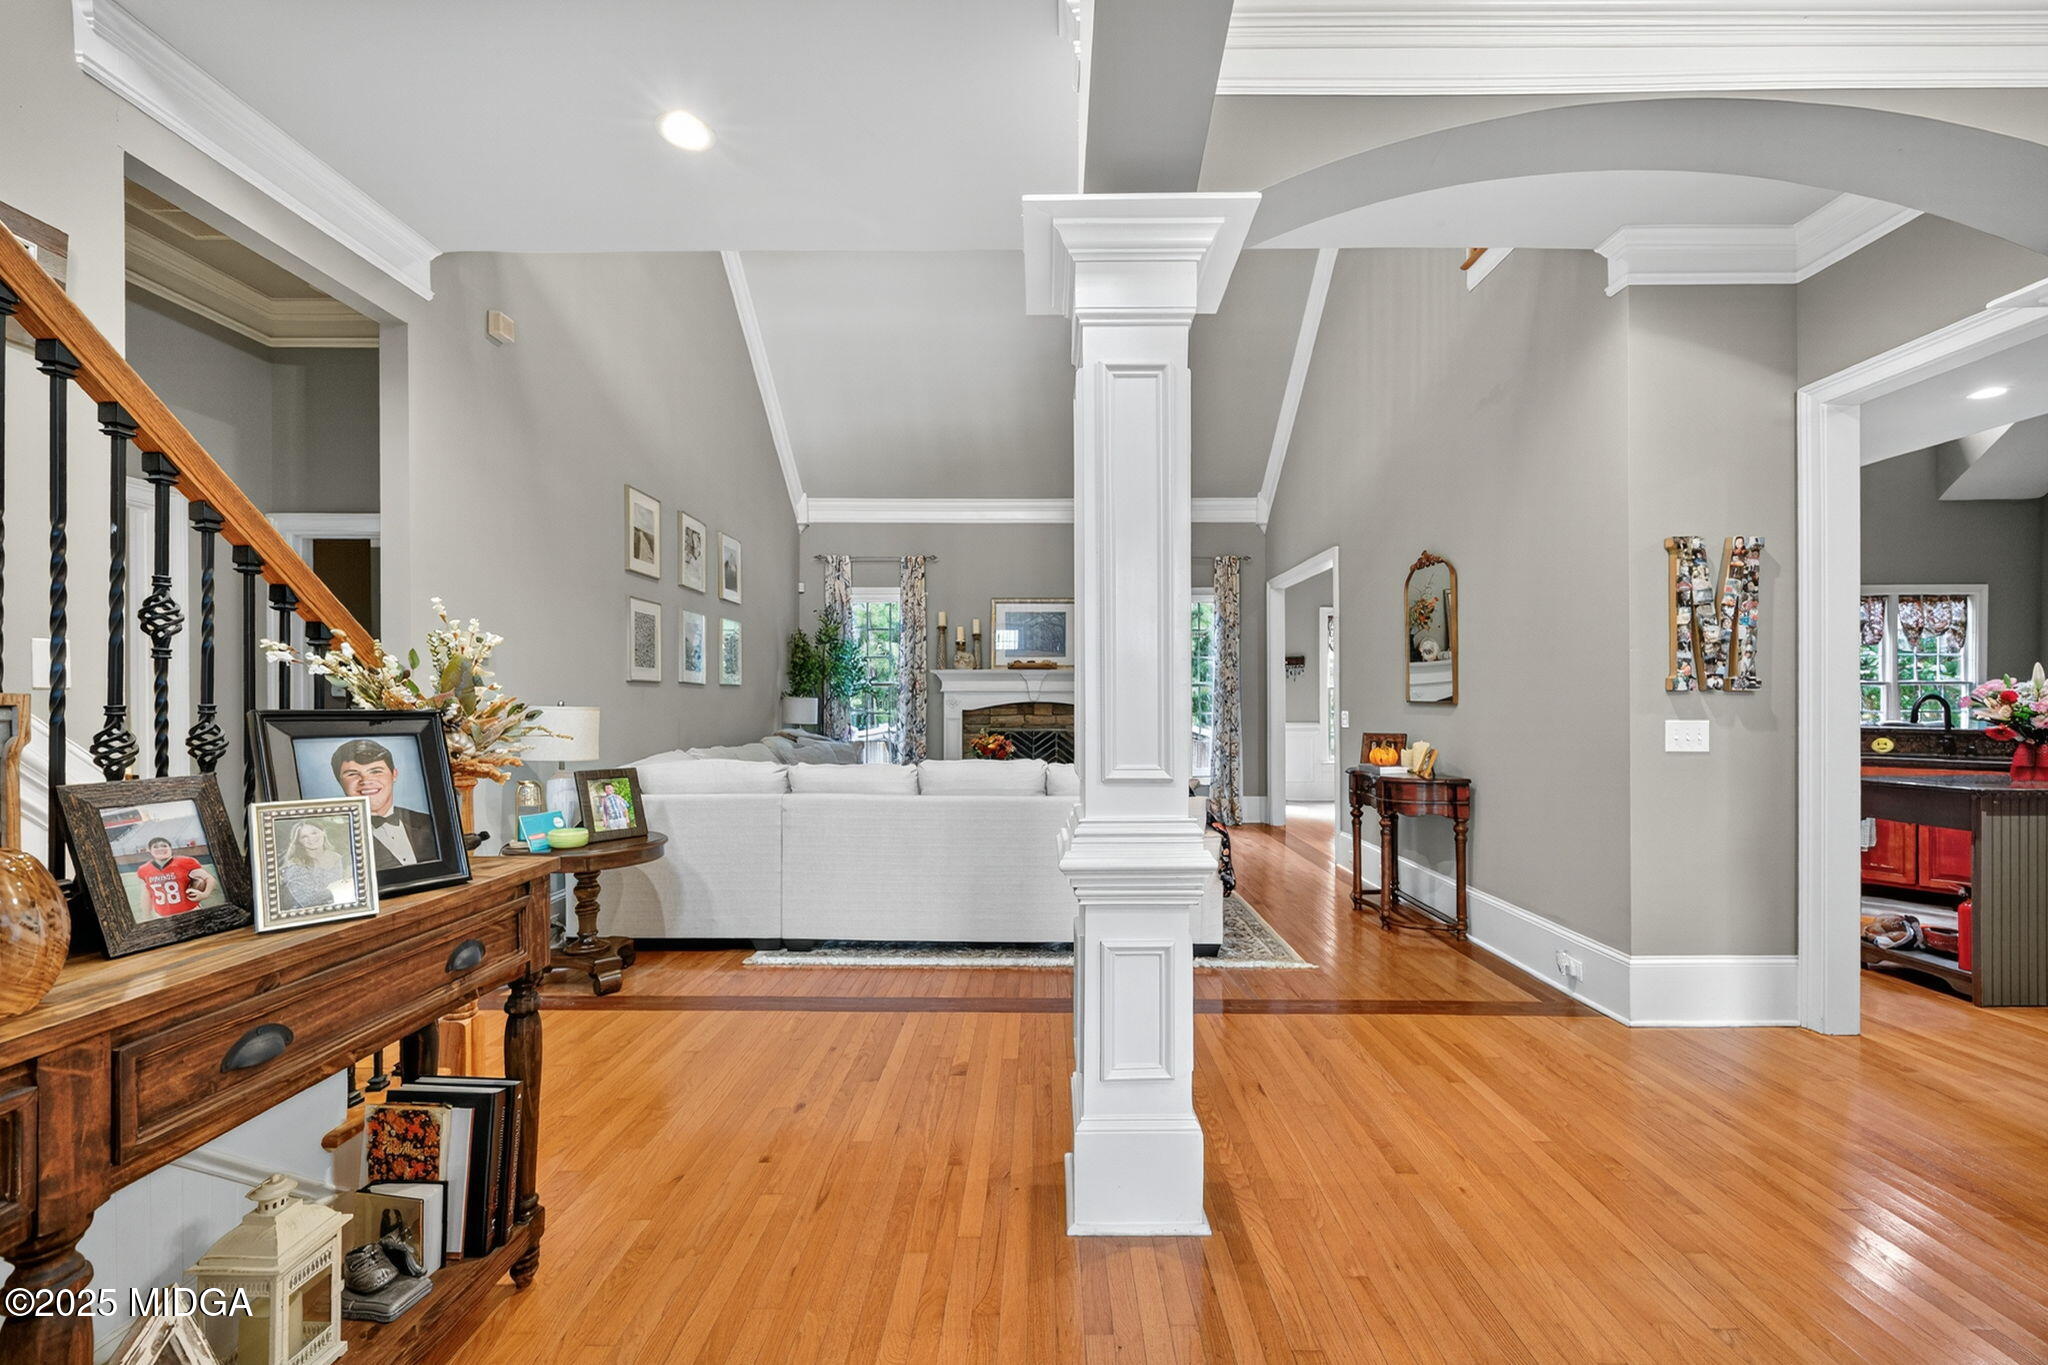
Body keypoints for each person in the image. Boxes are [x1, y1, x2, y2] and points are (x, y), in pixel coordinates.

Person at [333, 739, 436, 870]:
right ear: (339, 781)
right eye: (352, 774)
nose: (366, 781)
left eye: (376, 771)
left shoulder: (429, 822)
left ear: (394, 775)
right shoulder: (332, 838)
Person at [133, 834, 215, 917]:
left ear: (170, 848)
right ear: (149, 850)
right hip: (163, 916)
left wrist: (205, 894)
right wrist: (146, 916)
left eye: (164, 846)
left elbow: (209, 878)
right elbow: (146, 894)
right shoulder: (144, 869)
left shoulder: (185, 862)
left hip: (190, 911)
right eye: (155, 847)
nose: (160, 849)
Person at [281, 818, 346, 909]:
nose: (311, 838)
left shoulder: (335, 857)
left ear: (323, 832)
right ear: (298, 841)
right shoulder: (294, 865)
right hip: (305, 914)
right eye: (304, 837)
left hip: (339, 907)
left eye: (314, 833)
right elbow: (307, 900)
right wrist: (338, 890)